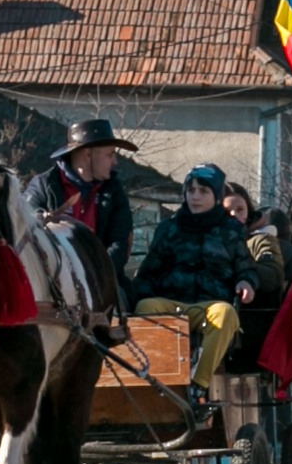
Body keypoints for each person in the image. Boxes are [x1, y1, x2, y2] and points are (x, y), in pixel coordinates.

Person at [130, 164, 259, 392]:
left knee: (226, 314)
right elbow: (148, 272)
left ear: (217, 197)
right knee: (145, 306)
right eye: (191, 190)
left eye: (203, 191)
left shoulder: (231, 231)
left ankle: (198, 385)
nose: (195, 197)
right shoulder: (169, 229)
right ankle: (156, 379)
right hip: (171, 305)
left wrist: (246, 282)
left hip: (208, 307)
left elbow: (246, 267)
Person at [23, 119, 137, 277]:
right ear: (88, 154)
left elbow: (119, 243)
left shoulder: (114, 190)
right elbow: (26, 235)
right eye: (110, 154)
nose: (115, 162)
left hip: (103, 280)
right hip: (53, 281)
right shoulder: (43, 186)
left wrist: (96, 275)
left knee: (130, 301)